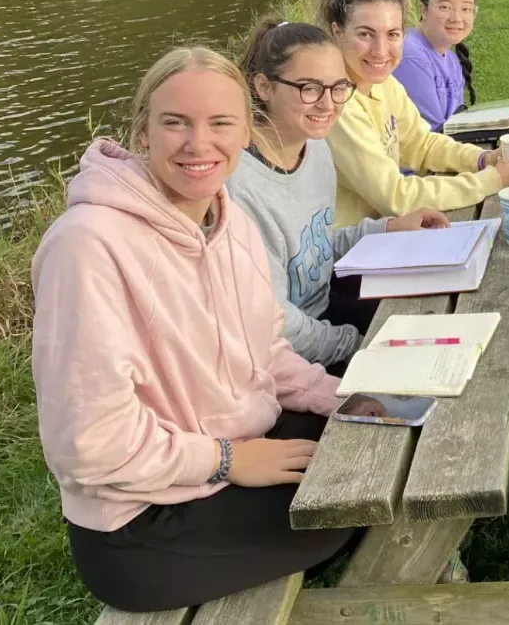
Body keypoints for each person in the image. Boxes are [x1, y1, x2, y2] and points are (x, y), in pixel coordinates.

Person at [30, 46, 367, 612]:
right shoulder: (86, 247)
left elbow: (263, 347)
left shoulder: (225, 218)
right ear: (142, 131)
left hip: (231, 448)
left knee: (370, 445)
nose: (198, 144)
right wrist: (229, 460)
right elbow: (88, 446)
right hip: (143, 524)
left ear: (245, 133)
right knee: (348, 505)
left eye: (220, 124)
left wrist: (337, 395)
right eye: (175, 123)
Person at [228, 17, 450, 372]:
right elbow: (276, 321)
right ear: (264, 87)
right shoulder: (239, 187)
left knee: (442, 321)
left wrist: (386, 229)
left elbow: (311, 246)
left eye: (338, 88)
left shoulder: (315, 148)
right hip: (282, 358)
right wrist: (356, 346)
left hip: (325, 307)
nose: (328, 104)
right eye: (309, 88)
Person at [315, 0, 509, 226]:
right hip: (347, 253)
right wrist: (492, 179)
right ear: (337, 32)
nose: (380, 51)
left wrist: (482, 159)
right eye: (365, 34)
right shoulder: (335, 103)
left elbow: (422, 144)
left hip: (385, 230)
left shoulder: (383, 84)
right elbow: (395, 196)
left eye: (393, 34)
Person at [392, 0, 478, 131]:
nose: (456, 18)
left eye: (466, 9)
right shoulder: (411, 57)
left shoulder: (451, 58)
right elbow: (433, 135)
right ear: (424, 10)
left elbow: (457, 123)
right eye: (445, 7)